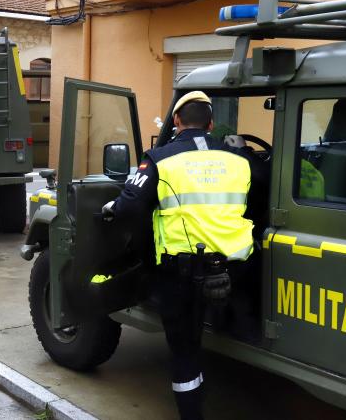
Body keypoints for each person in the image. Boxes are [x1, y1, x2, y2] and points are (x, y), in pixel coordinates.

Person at [102, 91, 264, 420]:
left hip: (181, 273)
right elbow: (262, 193)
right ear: (212, 123)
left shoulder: (160, 158)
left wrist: (112, 208)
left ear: (176, 121)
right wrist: (244, 150)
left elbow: (131, 205)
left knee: (184, 351)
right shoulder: (240, 159)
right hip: (236, 268)